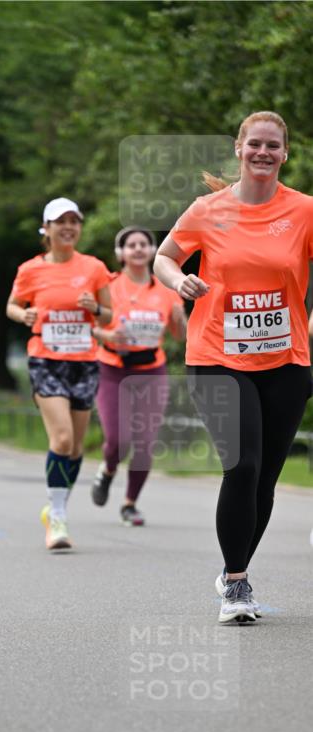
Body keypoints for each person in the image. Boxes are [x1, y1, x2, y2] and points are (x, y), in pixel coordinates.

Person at [154, 111, 313, 624]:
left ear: (284, 154)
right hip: (217, 356)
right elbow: (164, 257)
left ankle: (233, 569)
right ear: (238, 149)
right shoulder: (208, 210)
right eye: (255, 144)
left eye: (273, 146)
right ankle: (237, 584)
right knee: (241, 465)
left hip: (286, 358)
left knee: (264, 478)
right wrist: (179, 282)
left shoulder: (305, 211)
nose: (263, 153)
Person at [7, 197, 112, 549]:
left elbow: (110, 315)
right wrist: (23, 316)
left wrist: (94, 307)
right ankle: (57, 517)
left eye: (74, 220)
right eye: (60, 221)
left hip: (83, 361)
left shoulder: (94, 267)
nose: (68, 226)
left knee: (77, 447)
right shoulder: (30, 270)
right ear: (47, 229)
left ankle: (57, 506)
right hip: (46, 359)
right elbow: (12, 305)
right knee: (63, 439)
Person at [91, 227, 186, 524]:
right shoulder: (108, 285)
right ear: (120, 253)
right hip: (112, 370)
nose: (138, 249)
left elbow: (181, 335)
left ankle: (130, 503)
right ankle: (107, 471)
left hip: (151, 372)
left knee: (145, 442)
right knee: (118, 440)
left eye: (144, 244)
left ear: (152, 250)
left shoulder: (165, 288)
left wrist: (181, 319)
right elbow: (88, 326)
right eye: (130, 245)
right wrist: (108, 334)